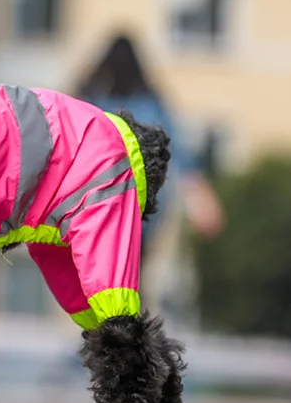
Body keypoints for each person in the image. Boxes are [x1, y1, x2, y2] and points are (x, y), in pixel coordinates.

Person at [74, 34, 223, 323]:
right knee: (131, 278)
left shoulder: (91, 100)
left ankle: (101, 335)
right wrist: (200, 196)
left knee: (95, 280)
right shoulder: (151, 103)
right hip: (141, 211)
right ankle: (127, 340)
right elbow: (177, 148)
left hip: (94, 208)